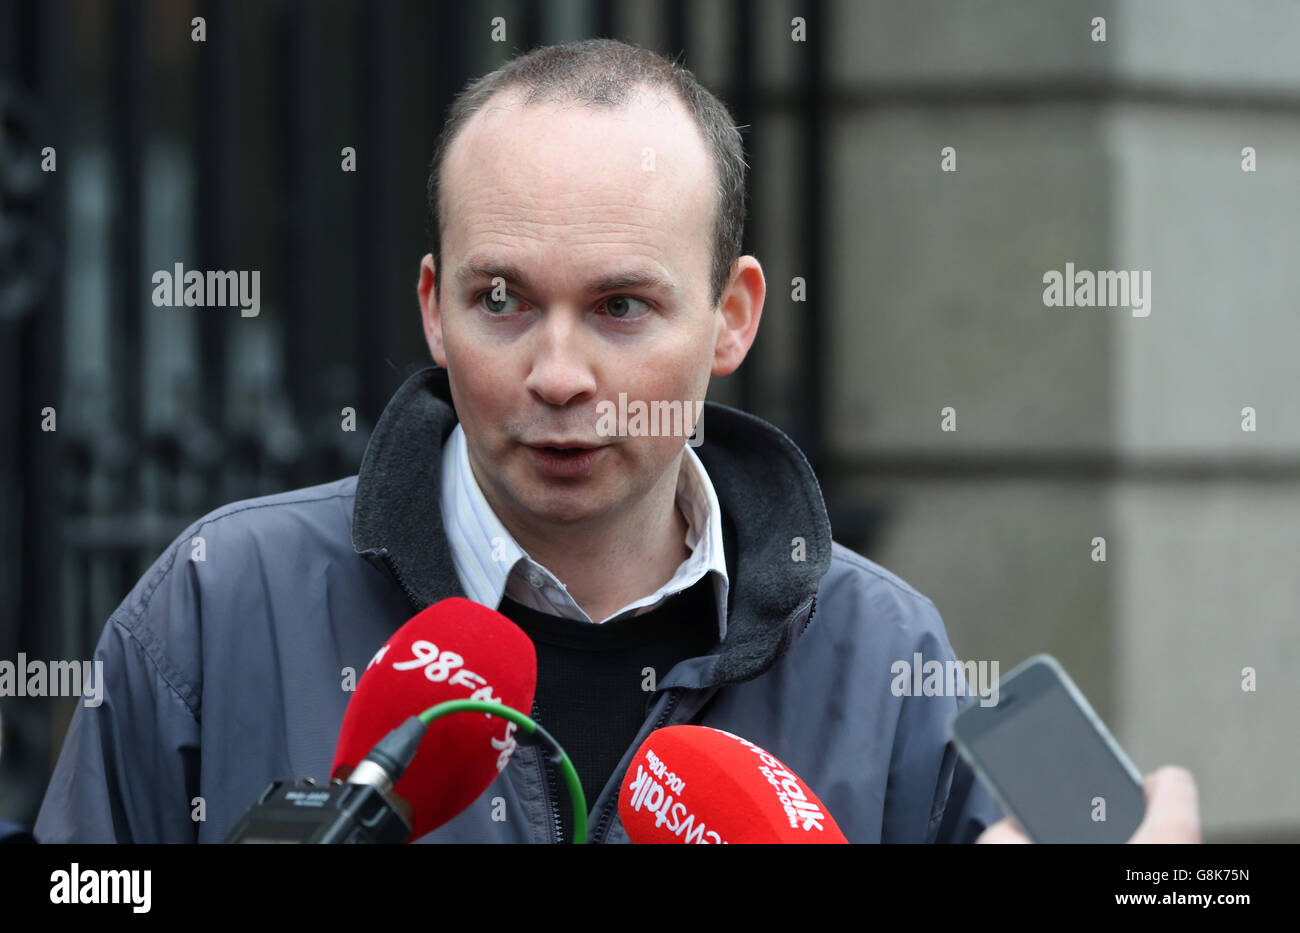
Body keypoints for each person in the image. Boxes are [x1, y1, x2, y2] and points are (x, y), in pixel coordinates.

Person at [35, 37, 1006, 843]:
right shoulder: (219, 605)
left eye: (620, 306)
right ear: (433, 308)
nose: (557, 373)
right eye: (501, 300)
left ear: (733, 317)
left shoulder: (881, 653)